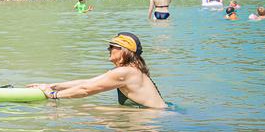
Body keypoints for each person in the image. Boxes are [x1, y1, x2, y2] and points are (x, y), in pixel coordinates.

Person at [28, 32, 166, 109]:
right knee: (89, 109)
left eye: (111, 46)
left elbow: (86, 90)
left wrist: (52, 95)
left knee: (87, 110)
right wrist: (52, 86)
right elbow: (88, 82)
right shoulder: (130, 70)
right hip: (155, 118)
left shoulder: (125, 72)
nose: (108, 49)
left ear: (124, 50)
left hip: (152, 121)